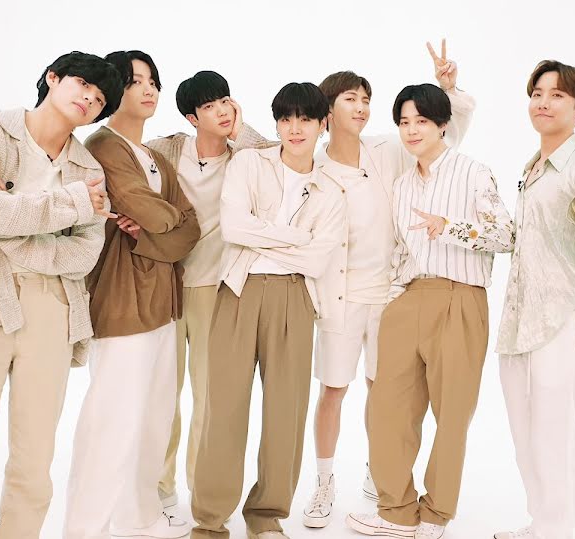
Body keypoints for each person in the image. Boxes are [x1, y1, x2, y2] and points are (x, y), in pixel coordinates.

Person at [0, 51, 122, 539]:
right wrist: (70, 205)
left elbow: (83, 254)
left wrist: (11, 220)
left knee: (34, 466)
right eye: (83, 85)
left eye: (100, 100)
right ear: (53, 78)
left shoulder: (89, 168)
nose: (89, 99)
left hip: (53, 310)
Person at [303, 40, 476, 529]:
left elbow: (444, 136)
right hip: (339, 297)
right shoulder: (314, 166)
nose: (361, 107)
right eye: (350, 99)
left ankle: (378, 473)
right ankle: (323, 483)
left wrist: (448, 91)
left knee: (385, 393)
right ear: (328, 110)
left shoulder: (386, 150)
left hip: (390, 293)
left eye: (365, 99)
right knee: (333, 390)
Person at [347, 82, 514, 539]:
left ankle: (436, 515)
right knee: (388, 409)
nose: (411, 130)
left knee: (452, 414)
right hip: (408, 298)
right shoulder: (402, 186)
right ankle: (396, 512)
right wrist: (393, 299)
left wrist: (450, 228)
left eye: (421, 120)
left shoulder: (472, 172)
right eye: (404, 122)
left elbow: (506, 235)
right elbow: (402, 250)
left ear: (443, 125)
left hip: (460, 298)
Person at [190, 82, 347, 539]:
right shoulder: (248, 163)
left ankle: (266, 516)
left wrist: (271, 238)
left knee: (286, 412)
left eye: (305, 119)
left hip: (295, 298)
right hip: (238, 292)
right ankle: (210, 520)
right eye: (285, 119)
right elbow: (235, 228)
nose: (295, 128)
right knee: (224, 408)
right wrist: (297, 238)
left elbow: (317, 260)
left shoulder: (332, 189)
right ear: (276, 124)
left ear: (323, 124)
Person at [62, 50, 200, 539]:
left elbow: (191, 230)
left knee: (153, 418)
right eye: (135, 80)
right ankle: (85, 529)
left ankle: (138, 518)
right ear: (113, 89)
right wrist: (163, 222)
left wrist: (156, 228)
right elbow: (154, 212)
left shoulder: (157, 158)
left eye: (153, 81)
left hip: (163, 303)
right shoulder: (103, 146)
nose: (148, 89)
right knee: (113, 419)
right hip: (122, 300)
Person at [493, 60, 575, 539]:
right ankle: (542, 523)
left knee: (554, 432)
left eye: (557, 95)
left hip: (560, 317)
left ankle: (555, 530)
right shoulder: (532, 167)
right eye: (537, 94)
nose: (543, 103)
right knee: (524, 432)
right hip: (518, 316)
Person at [145, 70, 272, 509]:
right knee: (163, 392)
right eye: (209, 106)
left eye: (224, 101)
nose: (220, 111)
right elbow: (119, 168)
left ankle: (201, 489)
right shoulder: (166, 150)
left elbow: (284, 161)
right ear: (191, 117)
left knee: (208, 396)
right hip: (165, 286)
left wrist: (242, 131)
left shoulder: (246, 158)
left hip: (214, 289)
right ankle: (159, 487)